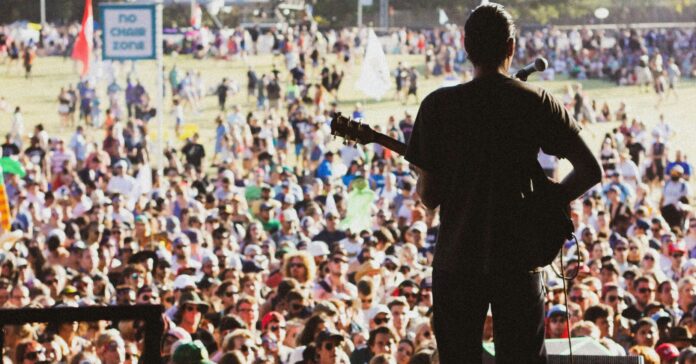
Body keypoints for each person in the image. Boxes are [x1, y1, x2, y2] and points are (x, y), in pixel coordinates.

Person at [405, 4, 601, 362]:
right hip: (519, 258)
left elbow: (429, 197)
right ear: (511, 47)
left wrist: (430, 174)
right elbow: (590, 170)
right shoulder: (536, 101)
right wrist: (549, 199)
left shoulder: (438, 107)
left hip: (457, 259)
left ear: (465, 45)